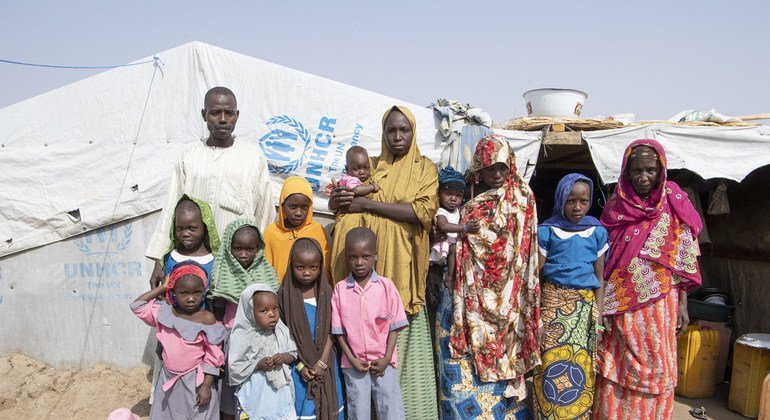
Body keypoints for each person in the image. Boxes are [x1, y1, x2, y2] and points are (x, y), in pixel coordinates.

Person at [329, 105, 439, 419]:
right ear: (383, 133)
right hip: (365, 276)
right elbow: (343, 200)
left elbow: (421, 212)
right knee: (363, 350)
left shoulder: (425, 170)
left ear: (414, 131)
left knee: (401, 353)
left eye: (404, 129)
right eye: (391, 130)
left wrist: (365, 203)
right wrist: (340, 200)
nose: (398, 136)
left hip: (402, 269)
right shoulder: (371, 168)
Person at [593, 139, 702, 419]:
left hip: (662, 304)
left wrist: (684, 304)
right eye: (637, 171)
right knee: (619, 363)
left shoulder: (674, 203)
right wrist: (601, 304)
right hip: (620, 304)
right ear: (626, 172)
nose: (644, 177)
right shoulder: (616, 206)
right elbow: (603, 259)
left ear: (661, 170)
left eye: (651, 170)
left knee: (658, 361)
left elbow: (684, 259)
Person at [439, 134, 539, 418]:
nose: (496, 174)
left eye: (501, 167)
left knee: (508, 356)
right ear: (479, 168)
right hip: (472, 293)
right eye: (489, 167)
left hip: (513, 295)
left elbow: (525, 245)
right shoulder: (467, 200)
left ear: (511, 166)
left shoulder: (523, 197)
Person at [146, 86, 275, 288]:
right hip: (193, 264)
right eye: (215, 113)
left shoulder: (252, 156)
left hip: (238, 265)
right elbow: (172, 208)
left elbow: (265, 213)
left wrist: (258, 260)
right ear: (204, 115)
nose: (223, 119)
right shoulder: (189, 157)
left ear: (237, 116)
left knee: (233, 318)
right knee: (193, 317)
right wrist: (159, 260)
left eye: (229, 113)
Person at [532, 173, 608, 420]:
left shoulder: (597, 231)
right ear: (560, 199)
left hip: (584, 310)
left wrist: (598, 318)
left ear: (590, 201)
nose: (577, 207)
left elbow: (600, 278)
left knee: (581, 368)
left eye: (583, 201)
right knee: (549, 366)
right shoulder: (547, 231)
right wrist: (539, 317)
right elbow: (537, 278)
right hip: (553, 307)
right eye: (570, 201)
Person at [131, 261, 226, 420]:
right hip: (168, 379)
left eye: (197, 292)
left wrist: (206, 386)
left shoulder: (206, 319)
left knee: (197, 414)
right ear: (173, 292)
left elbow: (213, 356)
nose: (191, 298)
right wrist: (162, 287)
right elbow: (137, 305)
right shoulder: (164, 313)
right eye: (184, 293)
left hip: (195, 382)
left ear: (204, 291)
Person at [331, 227, 408, 420]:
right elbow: (339, 332)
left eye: (365, 256)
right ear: (347, 257)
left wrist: (386, 358)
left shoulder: (386, 287)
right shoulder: (340, 290)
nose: (359, 262)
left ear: (375, 256)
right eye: (352, 257)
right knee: (358, 411)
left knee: (390, 409)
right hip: (353, 363)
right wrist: (351, 359)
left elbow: (394, 327)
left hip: (384, 362)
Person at [207, 219, 279, 418]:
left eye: (250, 249)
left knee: (257, 387)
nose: (243, 254)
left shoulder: (264, 272)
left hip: (260, 339)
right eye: (237, 248)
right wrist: (219, 344)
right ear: (229, 247)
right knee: (231, 388)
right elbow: (218, 313)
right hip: (232, 339)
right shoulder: (223, 274)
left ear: (258, 248)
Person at [278, 238, 345, 419]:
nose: (307, 273)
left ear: (321, 266)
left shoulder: (327, 293)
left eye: (313, 268)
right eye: (300, 267)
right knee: (304, 410)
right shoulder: (284, 296)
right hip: (298, 368)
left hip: (327, 364)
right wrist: (300, 366)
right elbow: (283, 336)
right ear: (291, 264)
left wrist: (322, 362)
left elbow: (334, 330)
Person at [228, 284, 298, 420]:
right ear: (250, 312)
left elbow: (293, 354)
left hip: (281, 395)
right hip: (256, 393)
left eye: (275, 308)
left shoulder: (280, 330)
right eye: (264, 311)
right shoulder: (242, 336)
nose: (272, 314)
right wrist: (258, 365)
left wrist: (284, 357)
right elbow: (235, 369)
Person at [427, 166, 478, 323]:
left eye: (458, 195)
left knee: (454, 249)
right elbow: (443, 226)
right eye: (449, 194)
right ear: (439, 194)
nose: (453, 199)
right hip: (437, 256)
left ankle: (450, 276)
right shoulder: (441, 211)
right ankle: (448, 278)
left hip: (449, 249)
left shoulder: (457, 211)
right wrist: (464, 228)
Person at [264, 176, 330, 279]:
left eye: (304, 207)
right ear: (282, 205)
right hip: (277, 291)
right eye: (293, 207)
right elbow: (265, 269)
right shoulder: (271, 232)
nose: (298, 213)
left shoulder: (317, 230)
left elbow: (324, 267)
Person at [161, 195, 220, 302]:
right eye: (179, 229)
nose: (185, 234)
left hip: (206, 317)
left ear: (205, 227)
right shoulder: (170, 258)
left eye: (192, 228)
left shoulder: (215, 261)